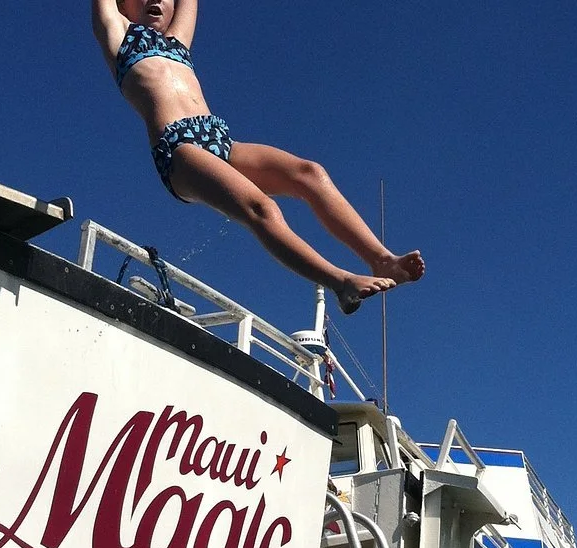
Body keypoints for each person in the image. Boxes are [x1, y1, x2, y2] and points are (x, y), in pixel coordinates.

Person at [91, 0, 424, 314]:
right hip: (178, 148)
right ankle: (340, 282)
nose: (157, 0)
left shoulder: (178, 42)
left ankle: (381, 258)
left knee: (309, 173)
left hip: (218, 137)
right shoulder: (119, 34)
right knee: (261, 207)